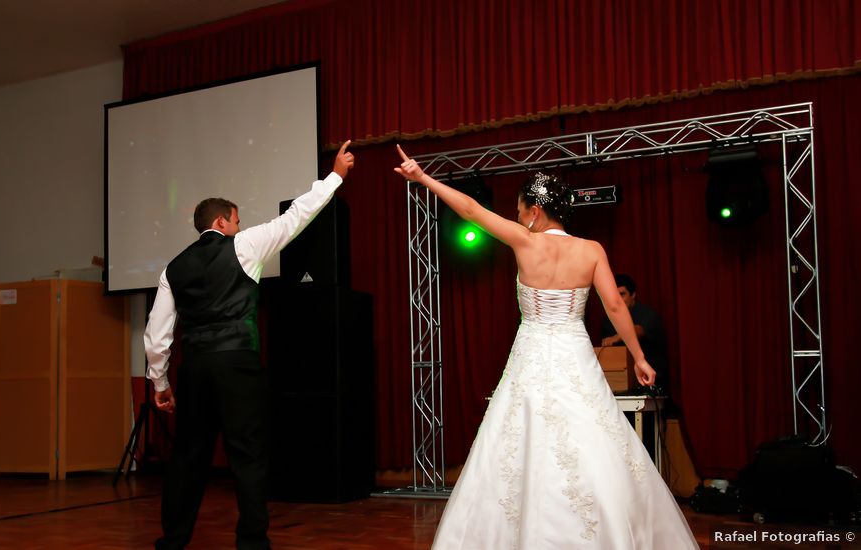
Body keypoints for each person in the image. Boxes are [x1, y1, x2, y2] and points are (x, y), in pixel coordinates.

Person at [393, 145, 698, 549]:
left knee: (520, 436)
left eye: (520, 210)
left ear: (534, 211)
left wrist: (424, 178)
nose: (519, 217)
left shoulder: (525, 241)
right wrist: (639, 357)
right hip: (574, 352)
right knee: (592, 433)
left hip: (532, 352)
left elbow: (468, 209)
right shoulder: (591, 250)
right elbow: (613, 305)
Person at [144, 141, 355, 550]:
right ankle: (252, 543)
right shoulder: (245, 246)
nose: (241, 227)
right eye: (237, 221)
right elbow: (298, 216)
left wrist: (159, 384)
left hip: (195, 369)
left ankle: (172, 541)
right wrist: (336, 176)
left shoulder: (174, 267)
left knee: (188, 458)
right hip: (238, 364)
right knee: (248, 455)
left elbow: (157, 334)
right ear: (222, 222)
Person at [600, 274, 669, 397]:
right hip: (620, 384)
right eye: (615, 295)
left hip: (651, 382)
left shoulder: (648, 314)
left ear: (633, 295)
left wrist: (617, 337)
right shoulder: (608, 320)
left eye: (622, 294)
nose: (619, 299)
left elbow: (639, 330)